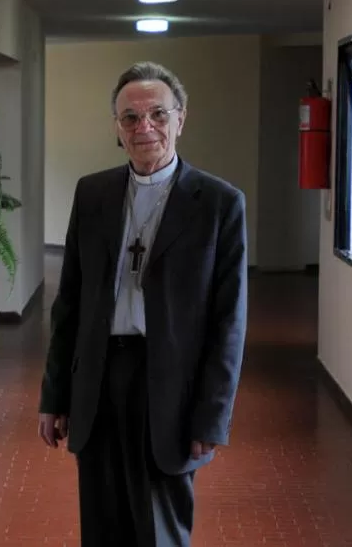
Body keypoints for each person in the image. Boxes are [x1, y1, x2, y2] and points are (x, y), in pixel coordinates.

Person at [37, 61, 248, 547]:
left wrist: (213, 415)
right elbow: (69, 301)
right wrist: (54, 396)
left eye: (157, 114)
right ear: (117, 128)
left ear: (181, 120)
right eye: (129, 118)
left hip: (171, 385)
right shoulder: (93, 194)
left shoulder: (218, 204)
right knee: (103, 526)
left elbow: (228, 322)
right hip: (100, 380)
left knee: (160, 530)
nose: (144, 127)